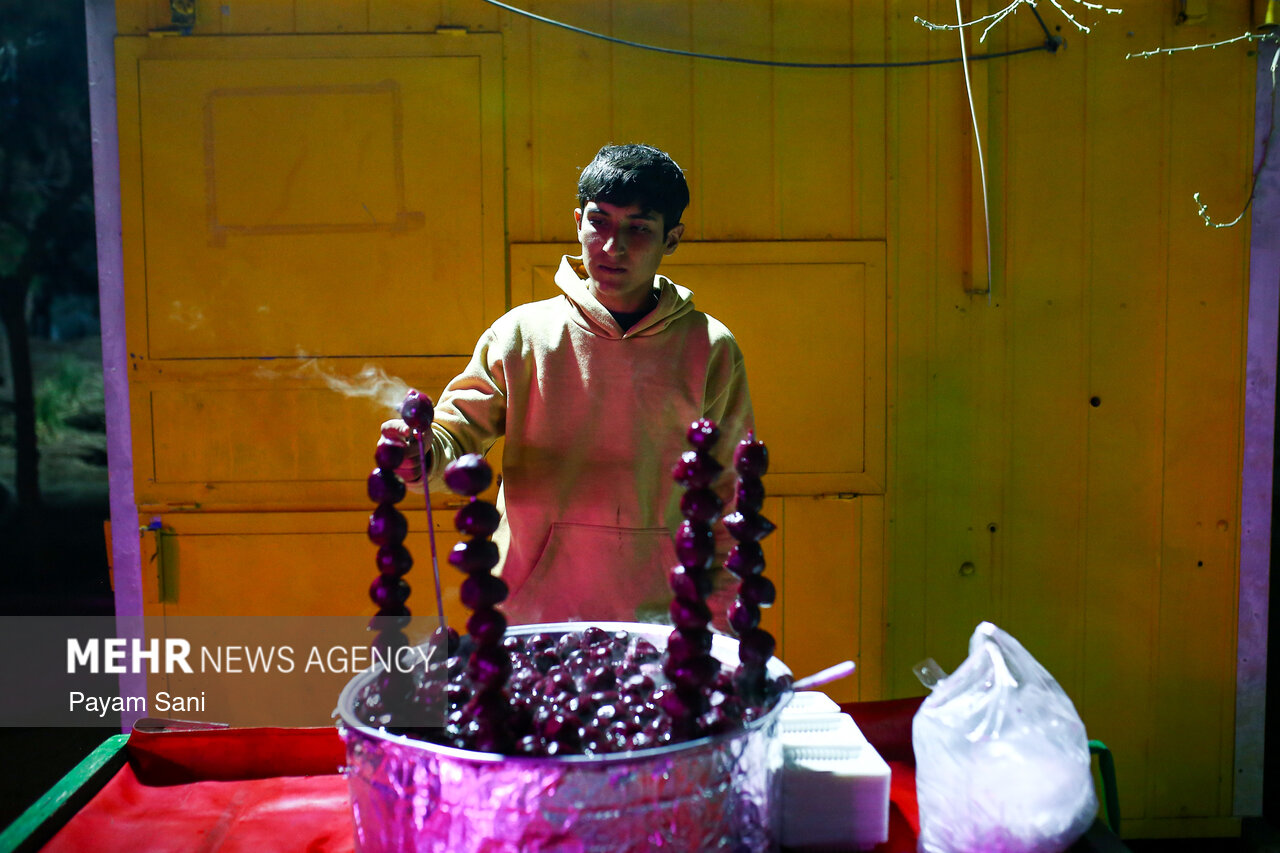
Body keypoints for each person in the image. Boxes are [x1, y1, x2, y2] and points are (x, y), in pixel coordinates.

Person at [380, 143, 753, 624]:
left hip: (664, 620)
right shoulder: (521, 335)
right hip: (529, 615)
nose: (613, 246)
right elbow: (453, 438)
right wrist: (418, 452)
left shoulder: (710, 347)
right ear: (578, 222)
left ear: (672, 238)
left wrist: (719, 622)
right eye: (599, 222)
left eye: (639, 228)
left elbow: (731, 494)